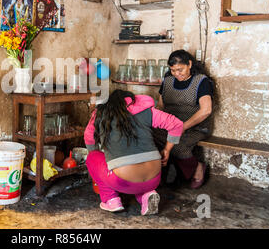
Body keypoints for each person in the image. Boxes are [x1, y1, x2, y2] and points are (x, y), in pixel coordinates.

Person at [84, 89, 183, 215]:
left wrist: (99, 165)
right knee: (138, 172)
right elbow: (177, 124)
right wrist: (167, 150)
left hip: (122, 182)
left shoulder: (100, 114)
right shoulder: (147, 111)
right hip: (155, 177)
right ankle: (147, 195)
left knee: (92, 157)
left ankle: (111, 200)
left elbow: (89, 137)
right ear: (132, 100)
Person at [155, 49, 214, 189]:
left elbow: (206, 110)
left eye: (180, 69)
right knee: (148, 137)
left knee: (177, 144)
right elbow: (161, 106)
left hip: (195, 126)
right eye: (173, 70)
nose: (177, 74)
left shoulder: (201, 81)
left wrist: (183, 127)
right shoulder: (168, 80)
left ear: (189, 64)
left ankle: (197, 167)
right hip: (170, 125)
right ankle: (159, 175)